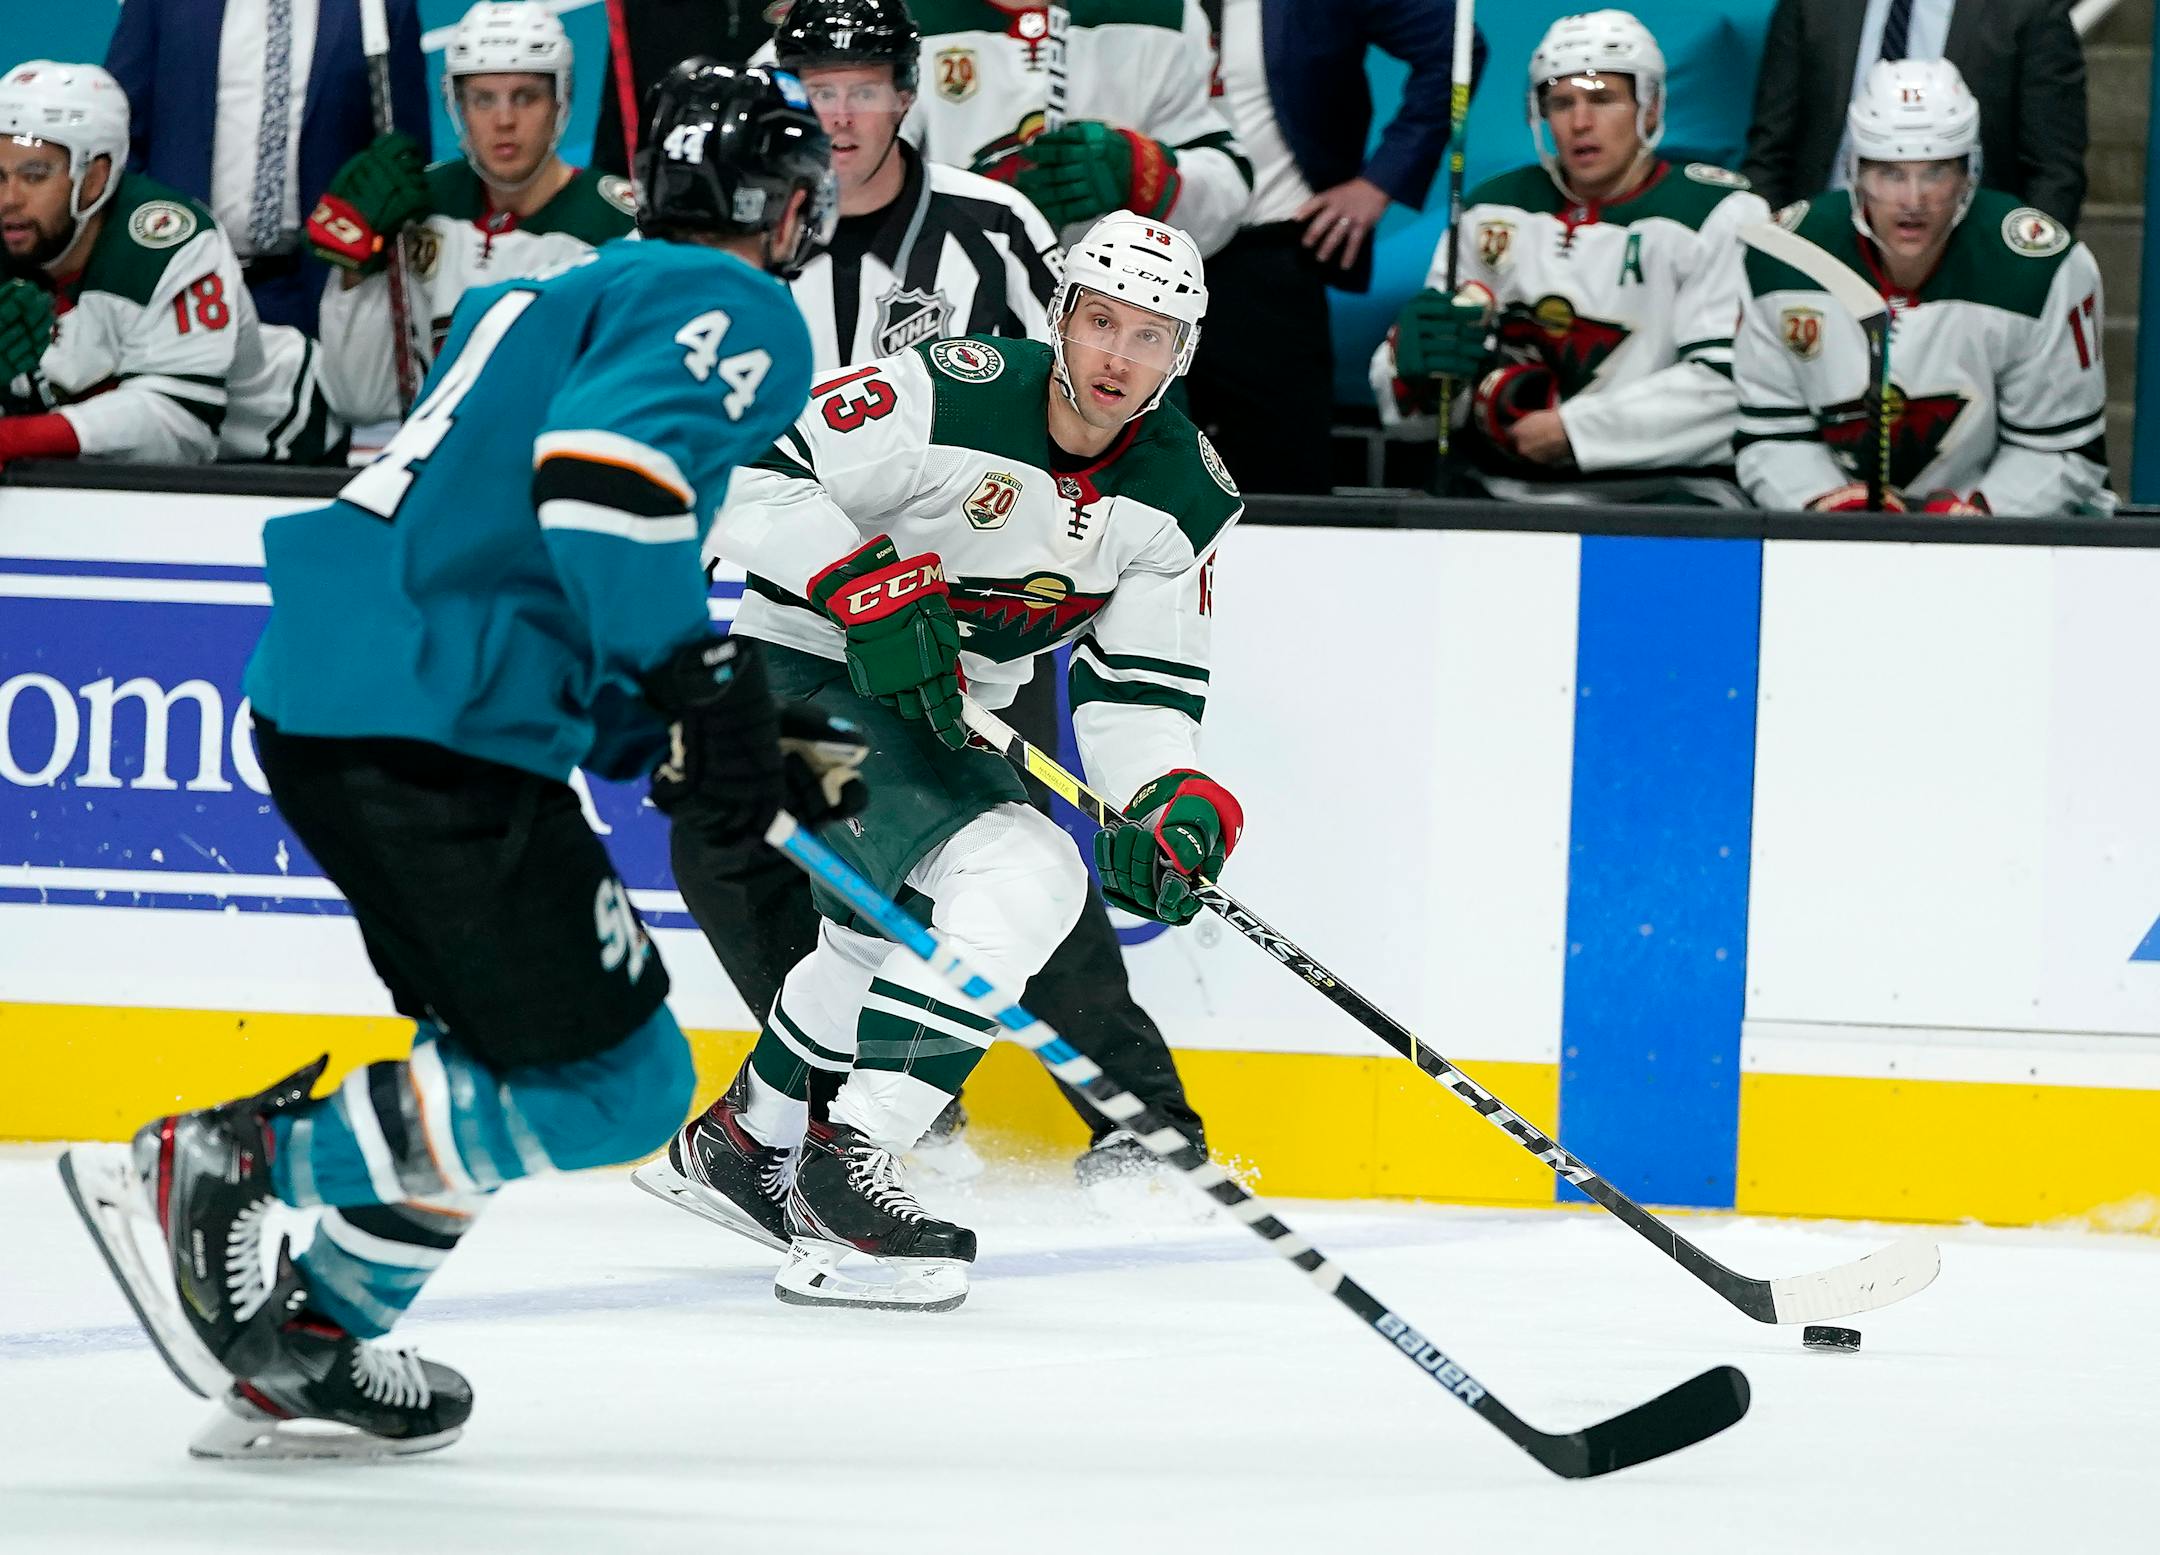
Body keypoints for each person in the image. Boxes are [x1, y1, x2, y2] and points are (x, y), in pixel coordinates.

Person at [58, 62, 860, 1462]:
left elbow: (519, 532)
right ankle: (233, 1161)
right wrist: (696, 674)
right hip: (427, 721)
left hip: (348, 697)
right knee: (623, 1084)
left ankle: (305, 1344)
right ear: (778, 205)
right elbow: (604, 477)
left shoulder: (542, 294)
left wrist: (664, 732)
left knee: (490, 1064)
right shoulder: (737, 305)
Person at [643, 0, 1203, 1202]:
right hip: (795, 618)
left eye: (861, 85)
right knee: (766, 850)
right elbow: (733, 452)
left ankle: (1136, 1119)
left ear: (906, 94)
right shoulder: (748, 225)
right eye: (814, 85)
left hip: (975, 625)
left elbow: (1059, 409)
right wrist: (816, 575)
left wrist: (1163, 781)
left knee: (1018, 864)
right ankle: (836, 1122)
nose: (837, 111)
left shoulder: (993, 228)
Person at [654, 212, 1244, 1314]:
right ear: (1059, 315)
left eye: (1152, 336)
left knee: (884, 928)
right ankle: (848, 1165)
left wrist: (1166, 797)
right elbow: (735, 468)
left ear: (1184, 355)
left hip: (934, 716)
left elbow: (1142, 693)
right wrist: (857, 578)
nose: (1119, 355)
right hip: (777, 684)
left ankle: (752, 1135)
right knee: (1028, 875)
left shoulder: (1182, 500)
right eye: (1101, 320)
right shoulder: (945, 388)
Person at [1370, 10, 1769, 506]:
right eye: (1562, 102)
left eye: (1603, 99)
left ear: (1650, 108)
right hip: (1494, 490)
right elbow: (1418, 415)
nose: (1581, 122)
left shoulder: (1721, 214)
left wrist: (1573, 431)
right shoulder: (1492, 209)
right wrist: (1413, 377)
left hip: (1664, 497)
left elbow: (1727, 390)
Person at [1733, 59, 2110, 516]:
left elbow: (2063, 451)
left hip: (2000, 547)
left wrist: (1982, 516)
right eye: (1890, 173)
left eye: (1935, 172)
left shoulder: (2043, 267)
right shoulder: (1782, 257)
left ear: (1969, 172)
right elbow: (1770, 434)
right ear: (1855, 172)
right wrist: (1824, 505)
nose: (1913, 200)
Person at [1187, 0, 1483, 495]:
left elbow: (1455, 45)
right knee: (1125, 479)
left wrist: (1380, 181)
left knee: (1283, 487)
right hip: (1135, 252)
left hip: (1269, 261)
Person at [0, 60, 341, 470]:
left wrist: (16, 438)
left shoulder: (173, 243)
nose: (9, 199)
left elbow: (180, 425)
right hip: (101, 472)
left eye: (34, 175)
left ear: (94, 178)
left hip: (280, 453)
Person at [310, 1, 637, 427]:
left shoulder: (622, 226)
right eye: (483, 99)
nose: (504, 120)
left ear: (561, 101)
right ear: (458, 105)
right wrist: (356, 273)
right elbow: (360, 401)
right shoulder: (411, 205)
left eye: (526, 97)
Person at [105, 0, 433, 335]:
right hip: (178, 287)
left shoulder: (379, 6)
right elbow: (117, 139)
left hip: (318, 292)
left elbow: (403, 160)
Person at [907, 0, 1253, 258]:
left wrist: (1141, 171)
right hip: (943, 316)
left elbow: (1230, 183)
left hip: (1119, 318)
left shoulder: (1166, 13)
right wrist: (964, 204)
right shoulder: (891, 15)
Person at [1740, 0, 2086, 229]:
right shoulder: (1811, 5)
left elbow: (2054, 171)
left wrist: (2023, 272)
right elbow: (1770, 150)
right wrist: (1772, 249)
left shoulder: (2029, 8)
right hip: (1824, 251)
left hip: (1968, 266)